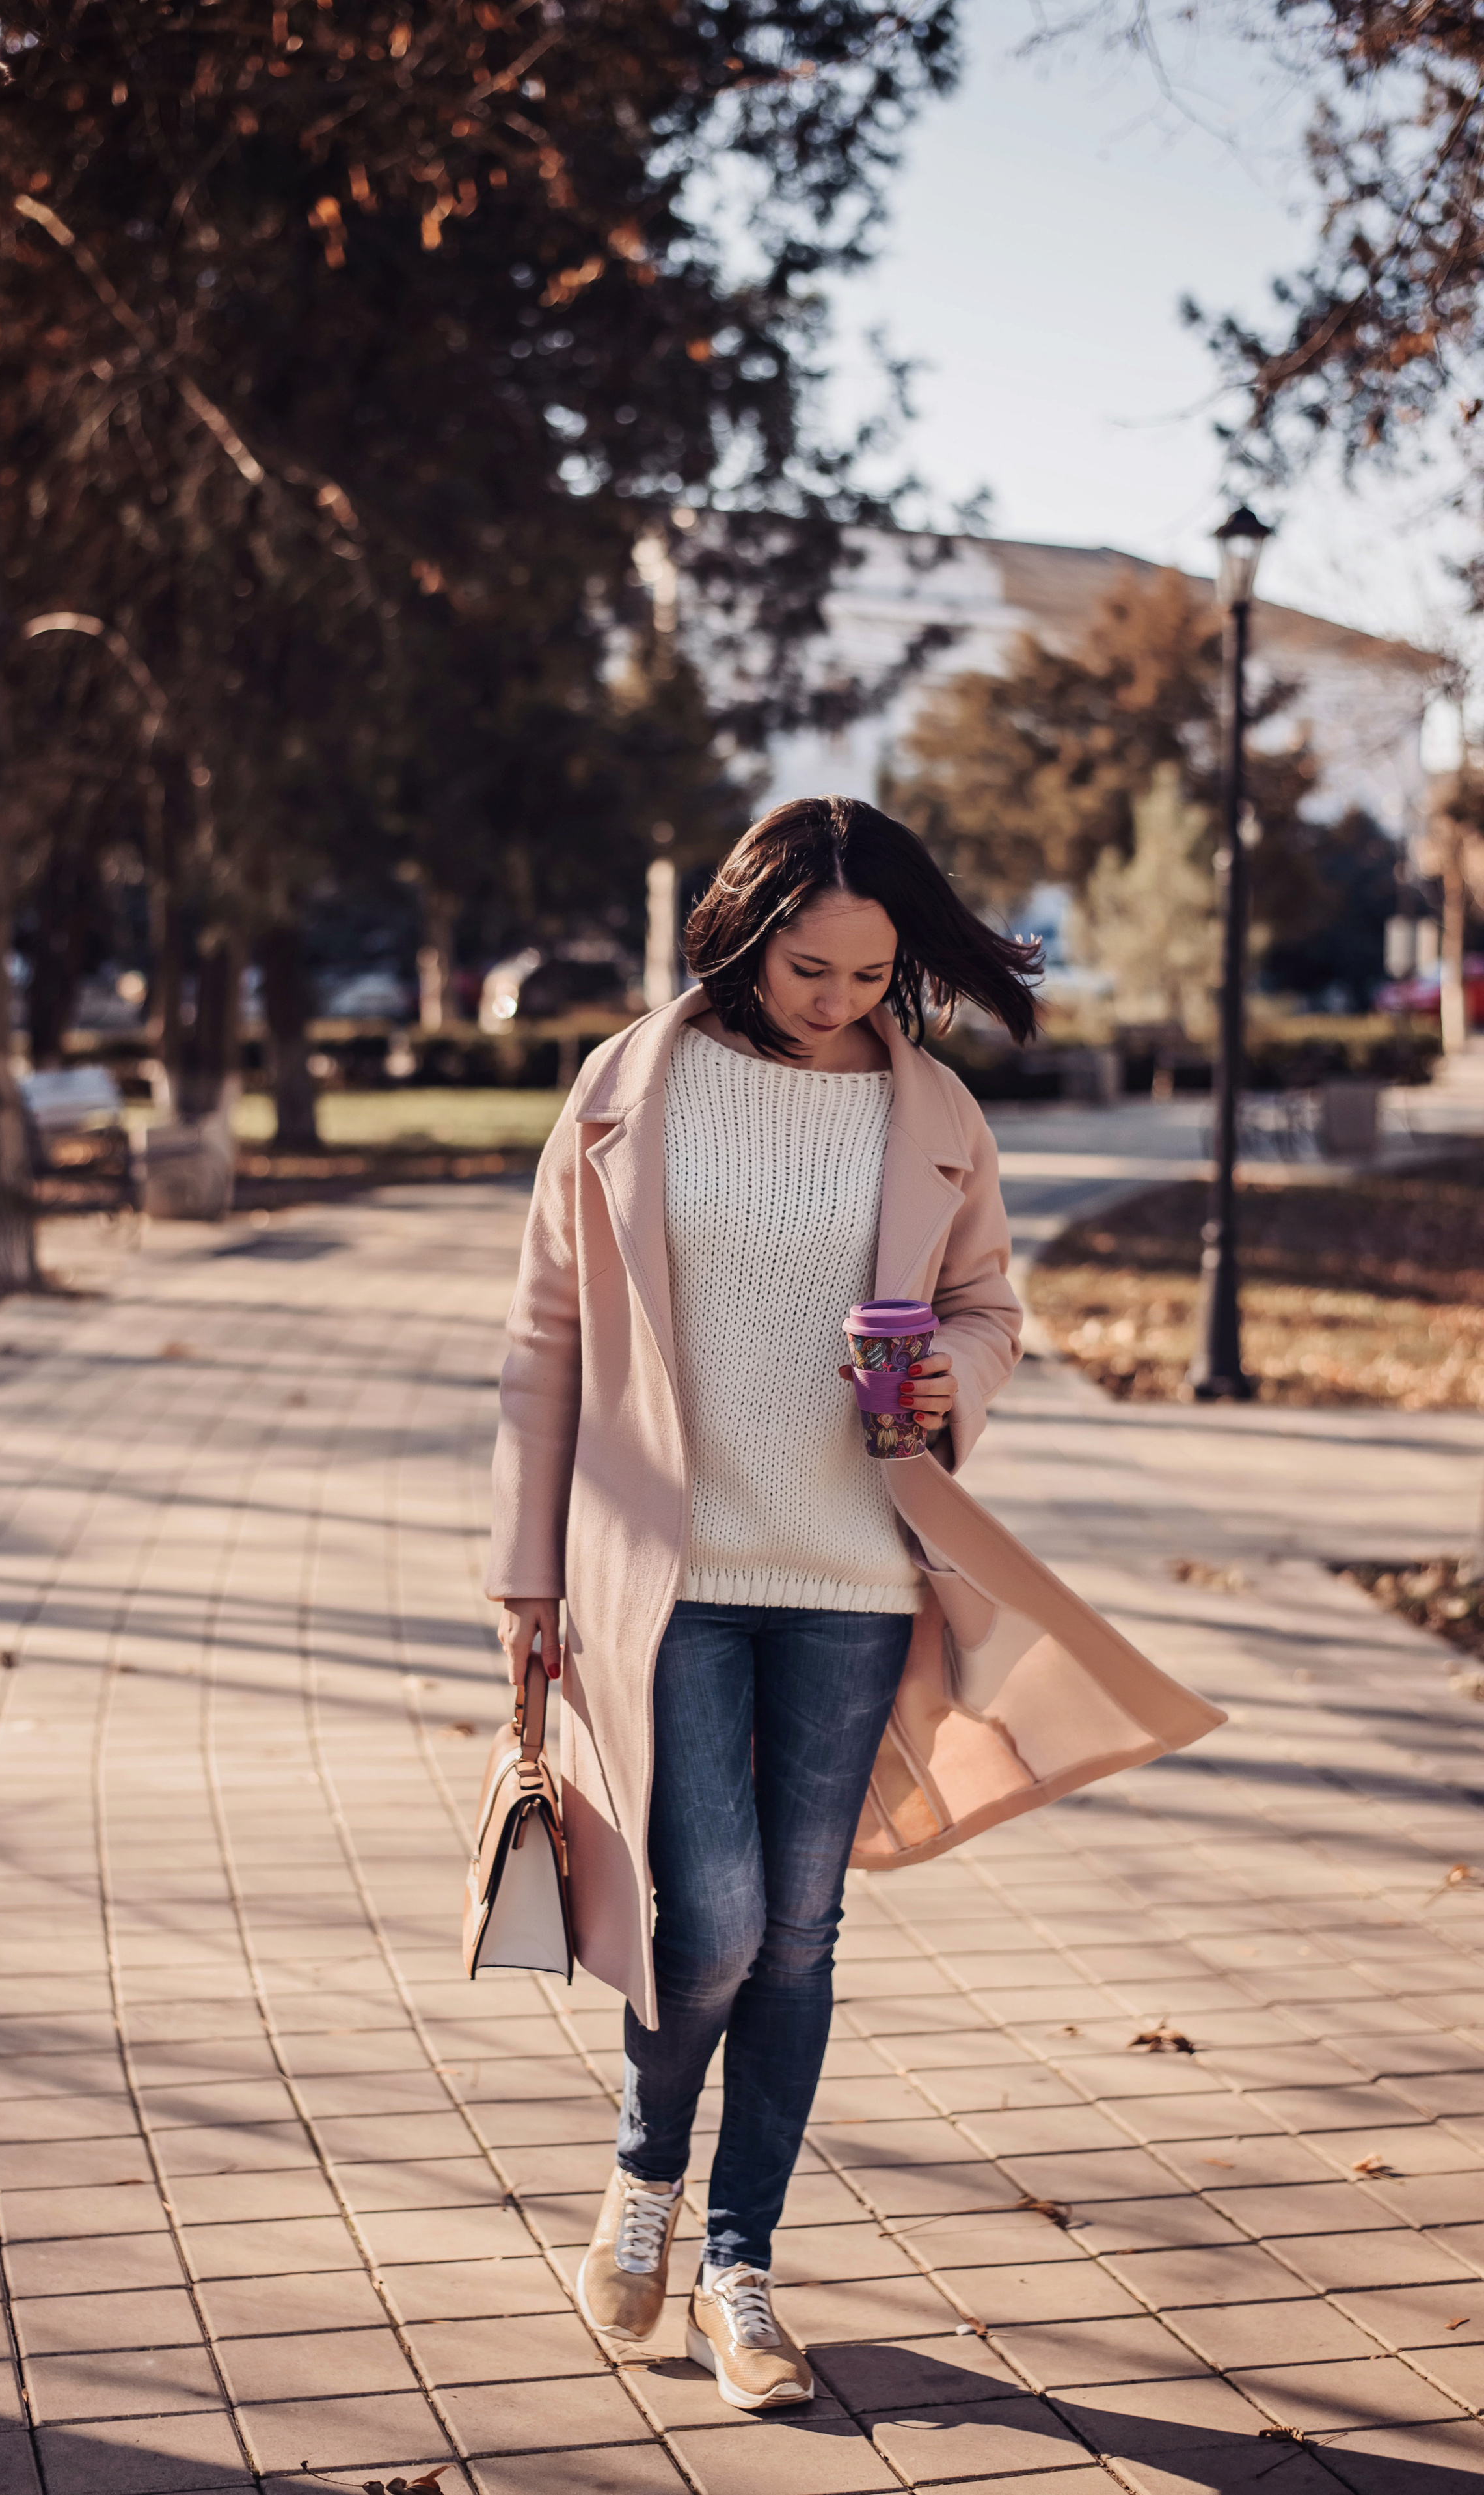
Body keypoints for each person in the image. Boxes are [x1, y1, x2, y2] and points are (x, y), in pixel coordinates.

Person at [485, 794, 1222, 2412]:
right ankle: (640, 2180)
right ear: (745, 937)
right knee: (718, 1924)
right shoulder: (626, 1088)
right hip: (665, 1575)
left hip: (854, 1570)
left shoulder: (932, 1107)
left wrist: (936, 1377)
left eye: (872, 973)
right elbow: (545, 1339)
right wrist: (521, 1574)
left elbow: (990, 1309)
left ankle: (739, 2275)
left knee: (801, 1935)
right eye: (809, 967)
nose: (838, 1000)